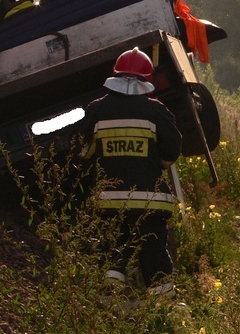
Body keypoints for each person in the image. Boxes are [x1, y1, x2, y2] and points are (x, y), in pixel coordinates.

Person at [72, 47, 182, 298]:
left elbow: (84, 151)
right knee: (153, 248)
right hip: (150, 201)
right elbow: (172, 151)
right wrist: (154, 164)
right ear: (147, 80)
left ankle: (109, 299)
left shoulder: (96, 110)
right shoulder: (157, 111)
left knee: (113, 248)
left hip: (110, 201)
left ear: (115, 76)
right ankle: (163, 305)